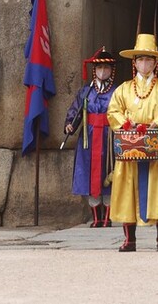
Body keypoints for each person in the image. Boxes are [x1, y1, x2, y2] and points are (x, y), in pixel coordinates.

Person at [108, 33, 158, 251]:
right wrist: (125, 124)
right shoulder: (124, 88)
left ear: (155, 62)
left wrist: (156, 124)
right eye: (140, 59)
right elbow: (113, 110)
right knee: (127, 190)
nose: (144, 64)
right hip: (130, 144)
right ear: (134, 62)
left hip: (157, 144)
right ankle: (129, 239)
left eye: (149, 60)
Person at [63, 47, 118, 227]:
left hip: (109, 138)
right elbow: (76, 111)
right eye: (99, 68)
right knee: (89, 174)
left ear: (111, 70)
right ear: (94, 70)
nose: (103, 72)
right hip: (89, 136)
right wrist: (70, 124)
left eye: (106, 68)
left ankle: (108, 216)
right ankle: (96, 216)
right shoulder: (85, 92)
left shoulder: (117, 92)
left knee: (109, 173)